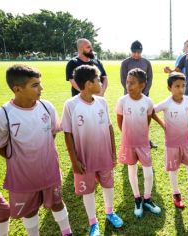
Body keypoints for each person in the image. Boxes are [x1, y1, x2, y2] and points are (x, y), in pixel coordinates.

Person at [0, 64, 72, 236]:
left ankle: (67, 232)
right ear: (18, 89)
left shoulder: (47, 107)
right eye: (35, 85)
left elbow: (51, 134)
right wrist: (19, 160)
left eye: (40, 83)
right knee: (30, 210)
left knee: (57, 202)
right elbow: (0, 145)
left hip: (49, 171)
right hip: (23, 176)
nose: (41, 88)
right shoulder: (4, 114)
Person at [61, 65, 123, 236]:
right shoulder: (71, 105)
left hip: (104, 156)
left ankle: (110, 212)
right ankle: (93, 222)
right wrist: (74, 161)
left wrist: (113, 152)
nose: (101, 83)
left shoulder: (102, 102)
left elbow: (109, 128)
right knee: (88, 190)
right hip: (84, 160)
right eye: (98, 80)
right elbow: (68, 135)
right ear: (89, 84)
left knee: (108, 185)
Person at [152, 72, 188, 208]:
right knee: (174, 169)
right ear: (169, 88)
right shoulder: (166, 103)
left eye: (183, 86)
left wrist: (186, 117)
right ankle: (176, 193)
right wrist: (163, 124)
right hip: (171, 144)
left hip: (185, 142)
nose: (181, 89)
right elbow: (152, 111)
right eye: (177, 86)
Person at [115, 68, 161, 218]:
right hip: (128, 143)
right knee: (132, 171)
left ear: (142, 85)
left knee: (148, 172)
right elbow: (120, 122)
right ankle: (137, 199)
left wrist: (141, 136)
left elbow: (147, 121)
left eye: (132, 83)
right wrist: (128, 136)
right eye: (127, 82)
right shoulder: (122, 101)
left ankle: (147, 199)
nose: (128, 86)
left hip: (143, 143)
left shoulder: (147, 102)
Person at [120, 40, 157, 148]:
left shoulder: (146, 62)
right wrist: (132, 93)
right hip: (129, 96)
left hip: (144, 96)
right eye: (134, 52)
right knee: (130, 120)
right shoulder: (125, 63)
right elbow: (123, 80)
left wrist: (143, 93)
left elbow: (149, 79)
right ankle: (129, 142)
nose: (136, 54)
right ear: (131, 51)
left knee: (144, 119)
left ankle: (146, 140)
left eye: (139, 52)